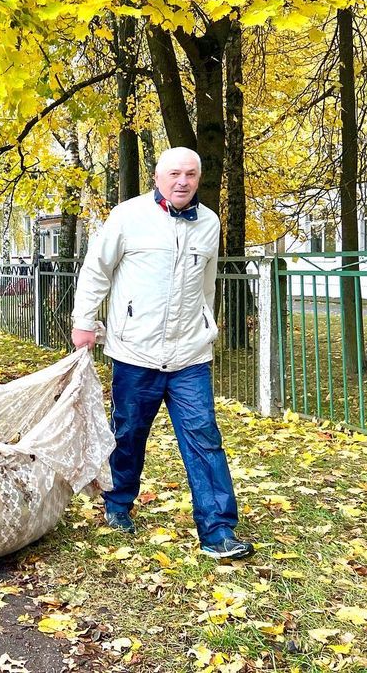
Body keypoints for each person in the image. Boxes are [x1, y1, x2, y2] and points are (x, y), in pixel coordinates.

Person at [69, 147, 254, 560]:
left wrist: (208, 325)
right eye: (174, 174)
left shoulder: (209, 223)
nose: (182, 181)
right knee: (129, 434)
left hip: (190, 355)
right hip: (136, 351)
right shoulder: (127, 217)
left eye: (190, 174)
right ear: (157, 176)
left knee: (204, 437)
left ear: (198, 179)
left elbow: (207, 283)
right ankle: (118, 505)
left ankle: (218, 530)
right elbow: (97, 269)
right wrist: (84, 321)